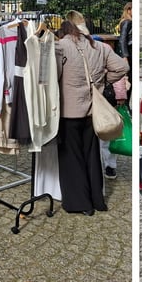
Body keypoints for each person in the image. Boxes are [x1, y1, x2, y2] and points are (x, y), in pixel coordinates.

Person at [55, 18, 129, 216]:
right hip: (92, 111)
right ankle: (97, 200)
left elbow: (53, 77)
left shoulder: (60, 46)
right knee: (92, 155)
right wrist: (101, 82)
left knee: (72, 158)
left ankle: (80, 203)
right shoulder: (100, 47)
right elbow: (122, 68)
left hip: (69, 111)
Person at [117, 2, 133, 72]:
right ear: (128, 10)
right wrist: (125, 56)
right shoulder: (127, 22)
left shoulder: (126, 21)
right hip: (129, 51)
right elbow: (122, 39)